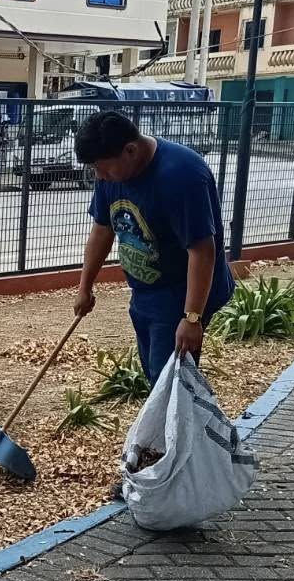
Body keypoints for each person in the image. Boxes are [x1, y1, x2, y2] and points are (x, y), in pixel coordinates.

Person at [71, 108, 234, 385]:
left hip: (181, 290)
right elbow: (102, 229)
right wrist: (85, 287)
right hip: (146, 289)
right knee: (155, 373)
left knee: (168, 380)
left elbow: (202, 250)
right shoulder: (112, 175)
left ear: (130, 150)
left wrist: (192, 318)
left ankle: (183, 415)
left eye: (102, 167)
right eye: (94, 168)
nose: (99, 176)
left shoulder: (182, 175)